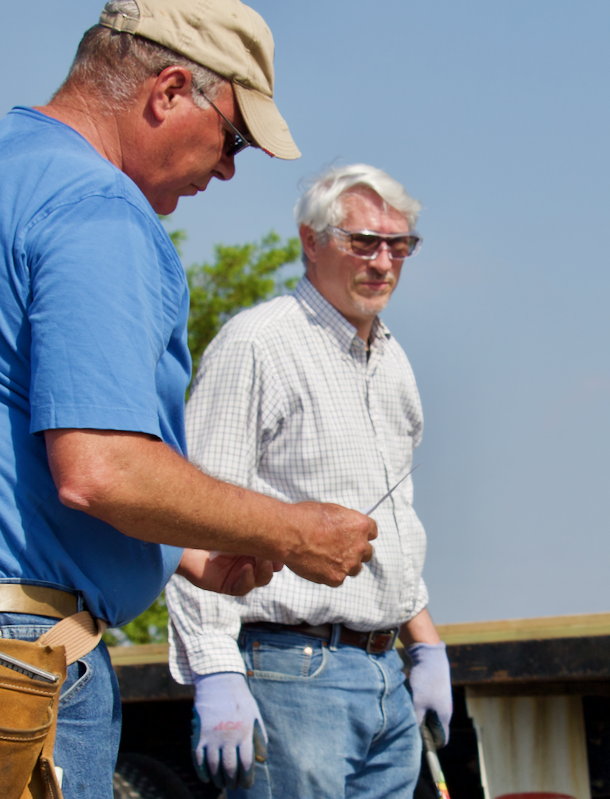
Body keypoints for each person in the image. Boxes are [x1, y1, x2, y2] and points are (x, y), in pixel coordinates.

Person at [0, 3, 378, 797]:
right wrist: (293, 530)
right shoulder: (98, 205)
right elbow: (100, 467)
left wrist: (184, 548)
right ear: (170, 90)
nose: (228, 168)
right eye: (235, 137)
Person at [166, 164, 454, 798]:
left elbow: (395, 523)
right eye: (363, 241)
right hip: (291, 673)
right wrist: (215, 672)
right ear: (310, 239)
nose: (383, 261)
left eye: (398, 244)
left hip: (383, 674)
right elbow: (192, 514)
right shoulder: (258, 344)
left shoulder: (394, 362)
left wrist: (425, 647)